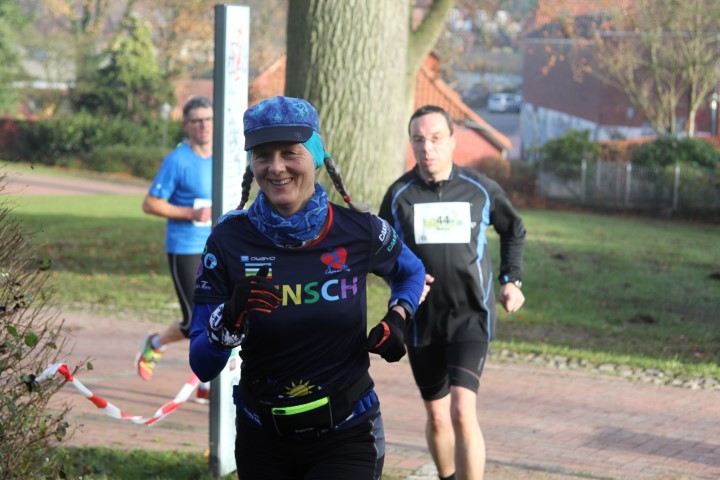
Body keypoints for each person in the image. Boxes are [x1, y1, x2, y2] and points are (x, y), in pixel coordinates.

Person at [188, 96, 426, 479]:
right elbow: (202, 365)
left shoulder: (360, 229)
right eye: (263, 155)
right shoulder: (228, 240)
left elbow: (412, 273)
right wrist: (228, 319)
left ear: (314, 155)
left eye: (289, 152)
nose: (276, 167)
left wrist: (398, 317)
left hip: (347, 432)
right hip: (263, 438)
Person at [378, 105, 526, 480]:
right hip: (422, 320)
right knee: (438, 415)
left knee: (461, 409)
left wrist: (511, 280)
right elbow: (382, 252)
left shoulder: (479, 189)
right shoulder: (398, 195)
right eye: (418, 139)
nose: (427, 147)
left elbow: (513, 228)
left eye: (436, 138)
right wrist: (402, 282)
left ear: (452, 141)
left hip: (470, 315)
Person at [135, 96, 214, 402]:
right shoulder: (177, 160)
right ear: (186, 125)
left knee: (224, 313)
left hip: (219, 246)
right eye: (197, 120)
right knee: (196, 320)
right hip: (186, 247)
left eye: (208, 119)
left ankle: (207, 380)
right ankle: (156, 344)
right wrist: (189, 213)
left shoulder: (227, 158)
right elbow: (150, 203)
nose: (204, 125)